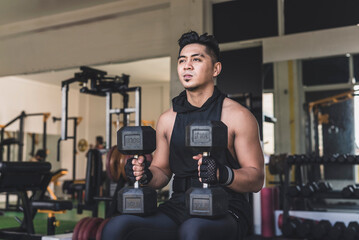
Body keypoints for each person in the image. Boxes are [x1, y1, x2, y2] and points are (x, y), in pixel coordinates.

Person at [102, 31, 264, 240]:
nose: (187, 66)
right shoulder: (168, 119)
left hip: (227, 207)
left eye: (196, 59)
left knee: (193, 230)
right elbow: (162, 171)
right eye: (182, 61)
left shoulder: (238, 116)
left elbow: (256, 178)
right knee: (117, 227)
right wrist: (145, 174)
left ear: (216, 69)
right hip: (179, 205)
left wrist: (222, 174)